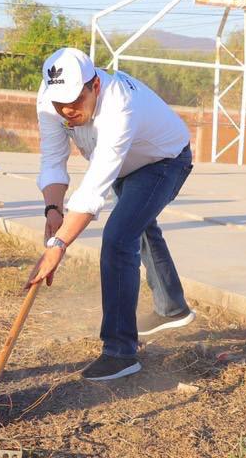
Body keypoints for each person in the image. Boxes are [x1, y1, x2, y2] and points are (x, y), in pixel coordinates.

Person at [26, 47, 196, 381]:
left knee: (119, 237)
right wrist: (53, 209)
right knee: (138, 225)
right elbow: (52, 161)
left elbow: (92, 191)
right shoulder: (50, 103)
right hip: (126, 166)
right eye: (60, 104)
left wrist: (58, 245)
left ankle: (120, 353)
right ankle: (172, 307)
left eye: (75, 101)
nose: (68, 110)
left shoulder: (119, 105)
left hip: (164, 159)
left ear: (95, 87)